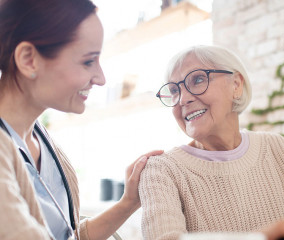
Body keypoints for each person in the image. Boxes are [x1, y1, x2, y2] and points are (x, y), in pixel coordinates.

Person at [0, 0, 163, 239]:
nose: (101, 78)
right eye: (88, 61)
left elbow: (68, 235)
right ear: (28, 59)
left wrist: (129, 202)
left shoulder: (42, 140)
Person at [138, 45, 284, 240]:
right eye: (174, 90)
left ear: (236, 85)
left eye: (198, 79)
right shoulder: (161, 170)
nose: (183, 99)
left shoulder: (276, 147)